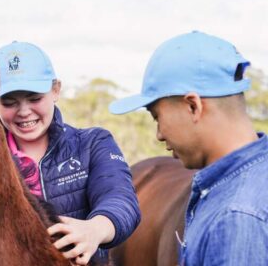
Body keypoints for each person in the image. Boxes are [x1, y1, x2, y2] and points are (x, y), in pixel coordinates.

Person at [109, 31, 268, 265]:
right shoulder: (245, 184)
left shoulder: (235, 216)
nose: (159, 135)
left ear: (193, 106)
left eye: (157, 117)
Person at [0, 41, 141, 265]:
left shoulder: (93, 143)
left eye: (34, 98)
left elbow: (121, 199)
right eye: (9, 102)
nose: (24, 112)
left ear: (55, 90)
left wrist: (96, 228)